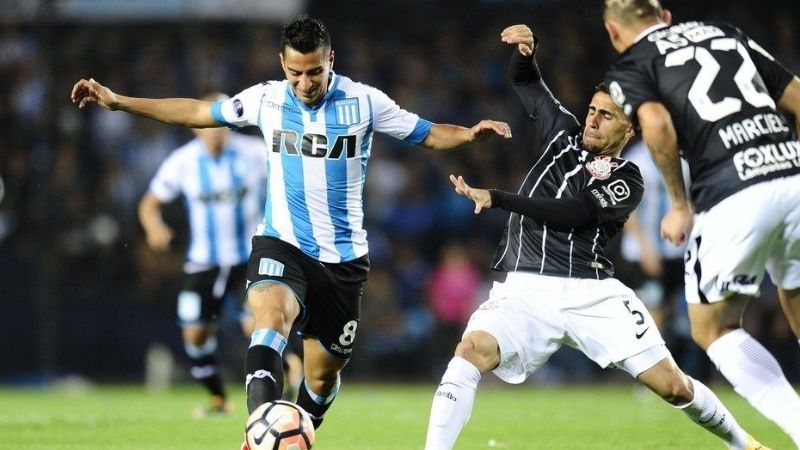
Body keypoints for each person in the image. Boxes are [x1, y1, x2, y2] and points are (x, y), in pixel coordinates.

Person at [71, 15, 512, 447]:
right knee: (268, 322)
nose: (305, 83)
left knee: (322, 377)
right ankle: (260, 437)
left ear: (331, 60)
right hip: (282, 243)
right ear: (283, 65)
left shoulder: (364, 102)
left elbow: (428, 134)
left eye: (315, 71)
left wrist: (470, 136)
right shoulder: (265, 99)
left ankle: (297, 431)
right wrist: (119, 100)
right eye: (295, 73)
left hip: (343, 261)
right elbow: (199, 112)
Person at [423, 24, 769, 450]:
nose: (593, 118)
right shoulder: (561, 133)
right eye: (592, 109)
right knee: (471, 349)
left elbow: (575, 214)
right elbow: (525, 81)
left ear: (629, 131)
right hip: (527, 289)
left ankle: (743, 443)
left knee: (674, 387)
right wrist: (528, 53)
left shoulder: (629, 178)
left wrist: (498, 198)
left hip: (592, 293)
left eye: (607, 115)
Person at [602, 1, 800, 445]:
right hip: (793, 173)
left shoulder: (631, 64)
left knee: (714, 328)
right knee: (795, 297)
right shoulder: (724, 32)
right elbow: (799, 99)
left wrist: (678, 203)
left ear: (614, 32)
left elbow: (655, 123)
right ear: (666, 16)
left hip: (732, 192)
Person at [138, 93, 302, 415]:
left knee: (255, 327)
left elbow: (292, 172)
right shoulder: (182, 161)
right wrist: (153, 226)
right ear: (196, 127)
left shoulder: (253, 153)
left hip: (248, 259)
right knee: (195, 335)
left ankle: (290, 369)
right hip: (204, 263)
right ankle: (218, 399)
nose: (216, 131)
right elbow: (149, 203)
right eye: (209, 125)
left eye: (221, 125)